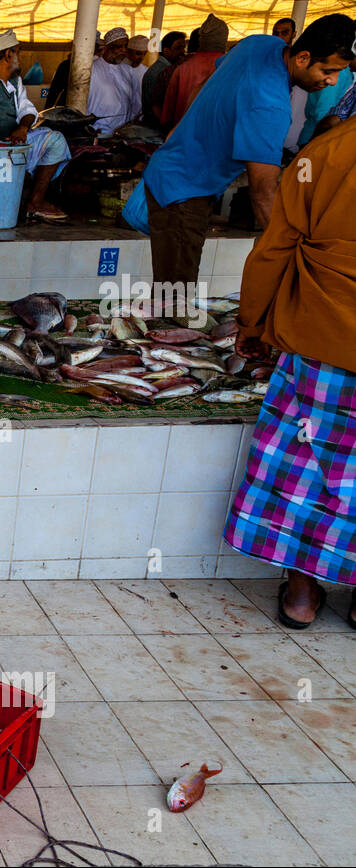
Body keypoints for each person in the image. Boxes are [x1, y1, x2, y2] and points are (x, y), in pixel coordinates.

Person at [224, 120, 356, 629]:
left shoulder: (326, 152)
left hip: (321, 336)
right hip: (321, 334)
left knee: (304, 464)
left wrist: (253, 321)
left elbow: (275, 247)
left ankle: (301, 595)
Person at [141, 15, 356, 299]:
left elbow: (203, 86)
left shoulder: (259, 44)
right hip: (183, 192)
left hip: (175, 172)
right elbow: (263, 194)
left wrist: (180, 132)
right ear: (303, 58)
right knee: (175, 300)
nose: (332, 81)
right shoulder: (269, 107)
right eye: (329, 71)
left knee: (175, 288)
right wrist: (292, 255)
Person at [0, 30, 70, 222]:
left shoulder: (15, 81)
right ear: (8, 54)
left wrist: (23, 128)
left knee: (56, 140)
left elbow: (28, 110)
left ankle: (35, 202)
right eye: (18, 52)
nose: (20, 57)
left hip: (12, 141)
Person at [156, 14, 228, 131]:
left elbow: (167, 115)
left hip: (182, 136)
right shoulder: (230, 67)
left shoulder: (181, 68)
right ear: (224, 39)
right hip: (215, 137)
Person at [88, 28, 141, 135]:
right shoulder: (92, 69)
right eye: (119, 47)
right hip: (98, 131)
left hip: (123, 132)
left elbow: (135, 101)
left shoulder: (128, 70)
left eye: (125, 46)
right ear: (107, 47)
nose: (124, 50)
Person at [141, 31, 186, 126]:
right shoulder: (160, 71)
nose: (183, 52)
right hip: (156, 125)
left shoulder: (171, 68)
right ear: (166, 51)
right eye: (178, 48)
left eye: (184, 48)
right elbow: (155, 106)